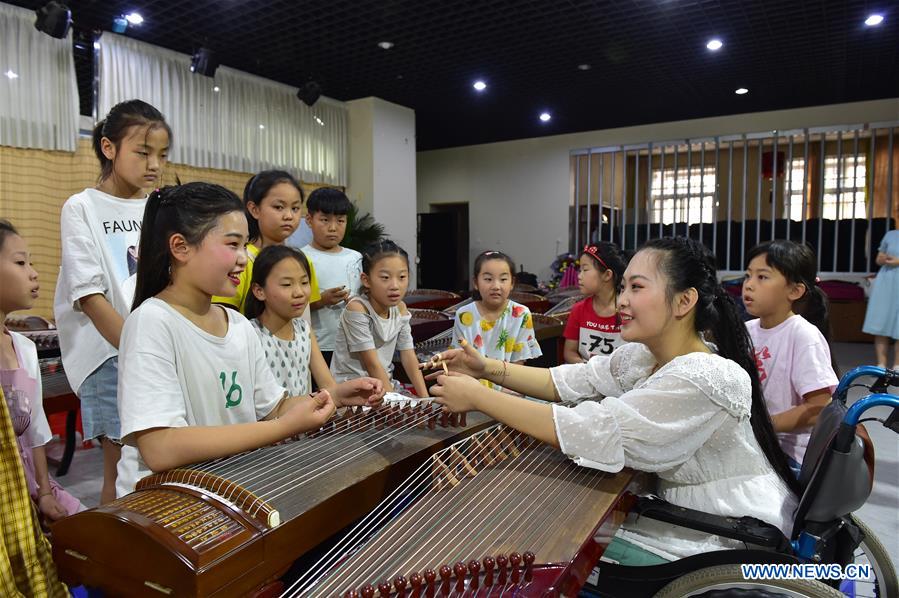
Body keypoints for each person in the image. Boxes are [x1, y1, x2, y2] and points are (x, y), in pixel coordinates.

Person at [427, 237, 798, 563]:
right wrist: (485, 368)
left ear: (684, 301)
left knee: (548, 545)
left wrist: (479, 396)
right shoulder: (644, 356)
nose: (622, 300)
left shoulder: (701, 376)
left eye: (636, 287)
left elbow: (597, 429)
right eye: (622, 288)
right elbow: (566, 381)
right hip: (676, 509)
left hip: (717, 529)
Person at [115, 184, 380, 497]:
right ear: (181, 247)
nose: (243, 259)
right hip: (167, 501)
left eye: (244, 245)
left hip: (226, 491)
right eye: (232, 244)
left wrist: (333, 396)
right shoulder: (152, 322)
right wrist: (281, 428)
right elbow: (160, 448)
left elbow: (274, 407)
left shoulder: (238, 325)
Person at [54, 99, 171, 503]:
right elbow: (88, 296)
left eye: (162, 155)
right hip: (109, 352)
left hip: (152, 348)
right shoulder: (81, 207)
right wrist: (139, 349)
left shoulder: (157, 207)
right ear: (108, 148)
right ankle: (111, 543)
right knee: (119, 472)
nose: (154, 164)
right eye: (143, 152)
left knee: (154, 467)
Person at [0, 220, 82, 520]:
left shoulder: (24, 348)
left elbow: (34, 431)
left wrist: (45, 492)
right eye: (20, 263)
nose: (34, 273)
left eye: (31, 262)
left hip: (30, 485)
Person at [743, 240, 839, 475]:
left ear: (795, 291)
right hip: (755, 441)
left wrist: (761, 426)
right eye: (748, 276)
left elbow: (819, 407)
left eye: (762, 277)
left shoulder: (803, 335)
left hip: (787, 455)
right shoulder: (746, 330)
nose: (749, 285)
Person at [246, 245, 384, 402]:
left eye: (304, 282)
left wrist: (356, 392)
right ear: (259, 291)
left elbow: (329, 387)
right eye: (287, 284)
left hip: (306, 416)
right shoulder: (250, 334)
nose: (299, 292)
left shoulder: (303, 330)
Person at [213, 170, 321, 320]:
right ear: (254, 209)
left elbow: (305, 318)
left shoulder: (302, 260)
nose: (289, 216)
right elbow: (223, 316)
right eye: (279, 207)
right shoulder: (241, 260)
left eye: (295, 208)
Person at [330, 240, 428, 397]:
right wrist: (395, 404)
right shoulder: (357, 308)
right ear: (366, 280)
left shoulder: (400, 308)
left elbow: (409, 356)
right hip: (353, 390)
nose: (395, 285)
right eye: (385, 277)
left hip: (384, 385)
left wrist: (426, 399)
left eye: (402, 277)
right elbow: (372, 364)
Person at [451, 251, 542, 387]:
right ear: (476, 282)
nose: (496, 286)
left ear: (512, 283)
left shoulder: (521, 314)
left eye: (503, 279)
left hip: (510, 386)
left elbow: (519, 364)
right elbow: (460, 360)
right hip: (471, 387)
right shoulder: (464, 314)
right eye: (488, 279)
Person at [301, 188, 363, 366]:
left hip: (356, 343)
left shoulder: (356, 258)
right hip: (318, 346)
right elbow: (291, 305)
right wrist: (321, 301)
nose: (333, 228)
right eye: (325, 220)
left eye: (340, 221)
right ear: (309, 220)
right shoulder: (300, 258)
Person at [563, 242, 629, 363]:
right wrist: (589, 369)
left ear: (607, 275)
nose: (579, 276)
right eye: (580, 270)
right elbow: (569, 352)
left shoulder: (628, 310)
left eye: (585, 269)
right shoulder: (579, 309)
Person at [862, 229, 899, 370]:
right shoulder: (890, 234)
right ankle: (881, 365)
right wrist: (882, 259)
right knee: (881, 322)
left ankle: (897, 365)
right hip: (886, 280)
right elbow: (878, 258)